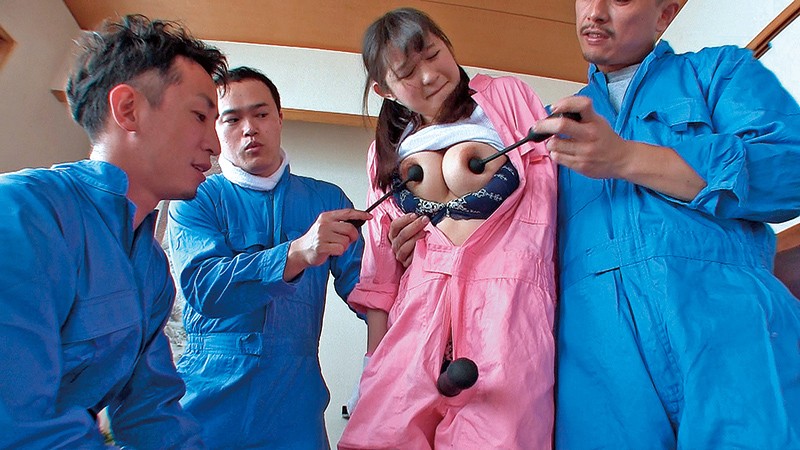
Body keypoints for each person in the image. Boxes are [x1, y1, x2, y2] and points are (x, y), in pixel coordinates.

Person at [391, 0, 800, 448]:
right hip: (598, 365)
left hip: (731, 337)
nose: (595, 12)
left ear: (666, 12)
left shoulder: (718, 73)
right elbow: (510, 244)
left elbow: (790, 174)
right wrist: (428, 244)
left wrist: (626, 157)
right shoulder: (544, 128)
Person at [0, 14, 226, 448]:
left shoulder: (151, 268)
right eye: (200, 116)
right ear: (128, 109)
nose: (214, 145)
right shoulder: (24, 214)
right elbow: (18, 427)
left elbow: (150, 412)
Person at [338, 8, 556, 449]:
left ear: (449, 47)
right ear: (385, 90)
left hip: (508, 310)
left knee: (500, 439)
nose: (428, 75)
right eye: (406, 73)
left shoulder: (506, 98)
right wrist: (372, 364)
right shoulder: (384, 152)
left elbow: (548, 188)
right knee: (382, 438)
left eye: (433, 54)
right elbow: (379, 272)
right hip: (415, 313)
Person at [166, 66, 370, 449]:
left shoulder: (327, 200)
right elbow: (205, 288)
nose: (249, 129)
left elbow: (370, 291)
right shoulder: (194, 198)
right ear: (215, 129)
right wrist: (297, 252)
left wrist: (408, 263)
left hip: (296, 399)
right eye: (232, 119)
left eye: (260, 114)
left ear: (279, 118)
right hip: (208, 394)